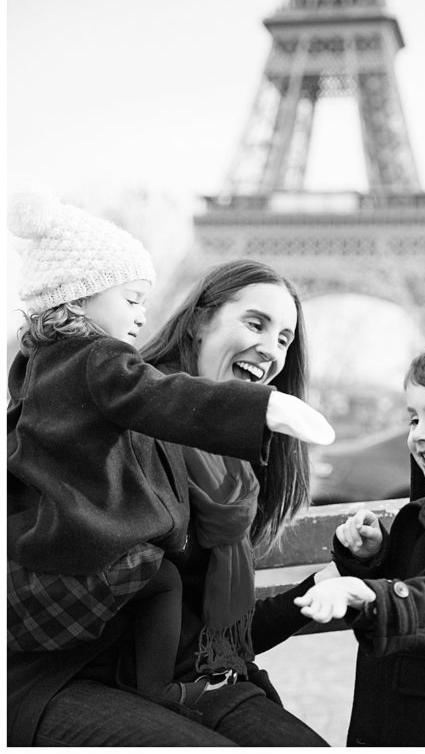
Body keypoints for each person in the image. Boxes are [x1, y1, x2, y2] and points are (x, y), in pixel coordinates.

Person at [6, 192, 333, 713]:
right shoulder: (110, 369)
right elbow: (159, 397)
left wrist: (333, 579)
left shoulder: (36, 364)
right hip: (83, 660)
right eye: (255, 324)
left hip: (206, 661)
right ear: (82, 297)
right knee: (160, 575)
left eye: (286, 339)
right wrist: (261, 409)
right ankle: (160, 691)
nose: (273, 349)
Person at [294, 336, 425, 746]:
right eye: (414, 418)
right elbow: (412, 577)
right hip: (408, 702)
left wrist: (367, 593)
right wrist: (372, 559)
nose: (419, 433)